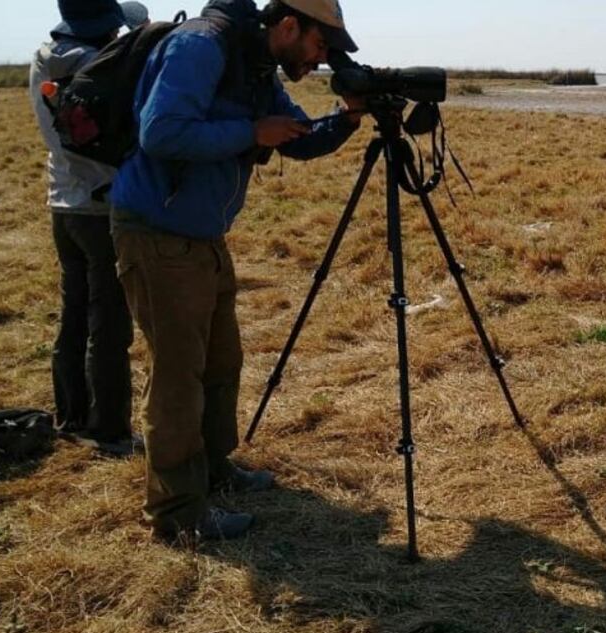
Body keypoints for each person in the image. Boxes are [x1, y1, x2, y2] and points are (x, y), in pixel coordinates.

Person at [110, 0, 364, 543]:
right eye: (320, 47)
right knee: (178, 376)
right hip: (158, 232)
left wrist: (347, 118)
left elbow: (293, 136)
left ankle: (214, 470)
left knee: (221, 360)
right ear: (290, 25)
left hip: (201, 235)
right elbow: (161, 132)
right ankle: (178, 514)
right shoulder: (201, 47)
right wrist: (252, 131)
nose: (320, 61)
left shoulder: (254, 67)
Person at [29, 0, 138, 457]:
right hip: (100, 205)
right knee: (109, 321)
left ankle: (71, 414)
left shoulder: (42, 57)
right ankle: (109, 429)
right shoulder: (97, 64)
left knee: (73, 314)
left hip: (62, 203)